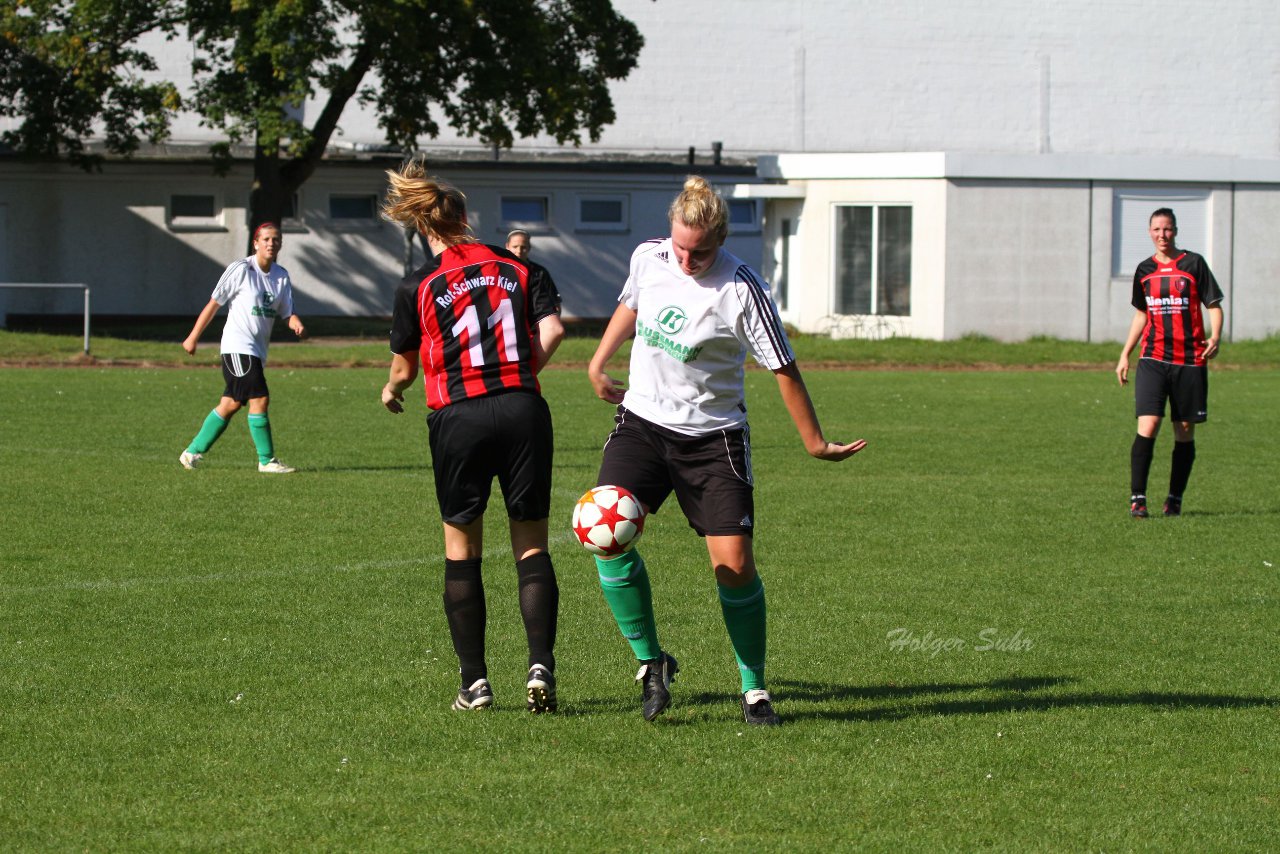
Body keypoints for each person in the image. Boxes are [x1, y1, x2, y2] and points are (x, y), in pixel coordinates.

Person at [586, 176, 866, 726]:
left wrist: (814, 442)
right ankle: (650, 662)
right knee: (604, 534)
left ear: (721, 239)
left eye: (700, 251)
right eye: (680, 247)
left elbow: (783, 367)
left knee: (734, 567)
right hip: (642, 425)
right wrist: (598, 362)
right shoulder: (649, 257)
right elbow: (631, 304)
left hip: (713, 440)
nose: (687, 261)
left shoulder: (741, 288)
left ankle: (753, 689)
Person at [380, 158, 566, 713]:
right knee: (531, 542)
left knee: (462, 550)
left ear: (424, 226)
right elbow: (554, 329)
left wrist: (391, 388)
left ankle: (475, 683)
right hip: (522, 409)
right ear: (466, 220)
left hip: (458, 417)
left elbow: (404, 369)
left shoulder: (417, 285)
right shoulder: (519, 267)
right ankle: (540, 666)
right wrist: (521, 371)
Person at [1116, 207, 1224, 518]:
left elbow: (1213, 304)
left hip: (1190, 360)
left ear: (1175, 231)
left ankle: (1174, 499)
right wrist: (1125, 353)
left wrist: (1216, 336)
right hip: (1153, 357)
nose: (1162, 235)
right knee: (1148, 424)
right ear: (1149, 232)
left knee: (1184, 429)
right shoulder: (1144, 270)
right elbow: (1142, 314)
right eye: (1156, 229)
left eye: (1167, 229)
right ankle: (1138, 499)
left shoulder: (1194, 263)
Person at [179, 222, 305, 473]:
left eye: (276, 239)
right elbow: (213, 305)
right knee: (260, 398)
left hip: (257, 351)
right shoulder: (241, 269)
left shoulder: (281, 275)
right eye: (266, 239)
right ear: (255, 243)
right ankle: (266, 460)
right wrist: (193, 337)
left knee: (231, 404)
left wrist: (295, 322)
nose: (271, 243)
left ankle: (191, 452)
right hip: (237, 347)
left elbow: (286, 312)